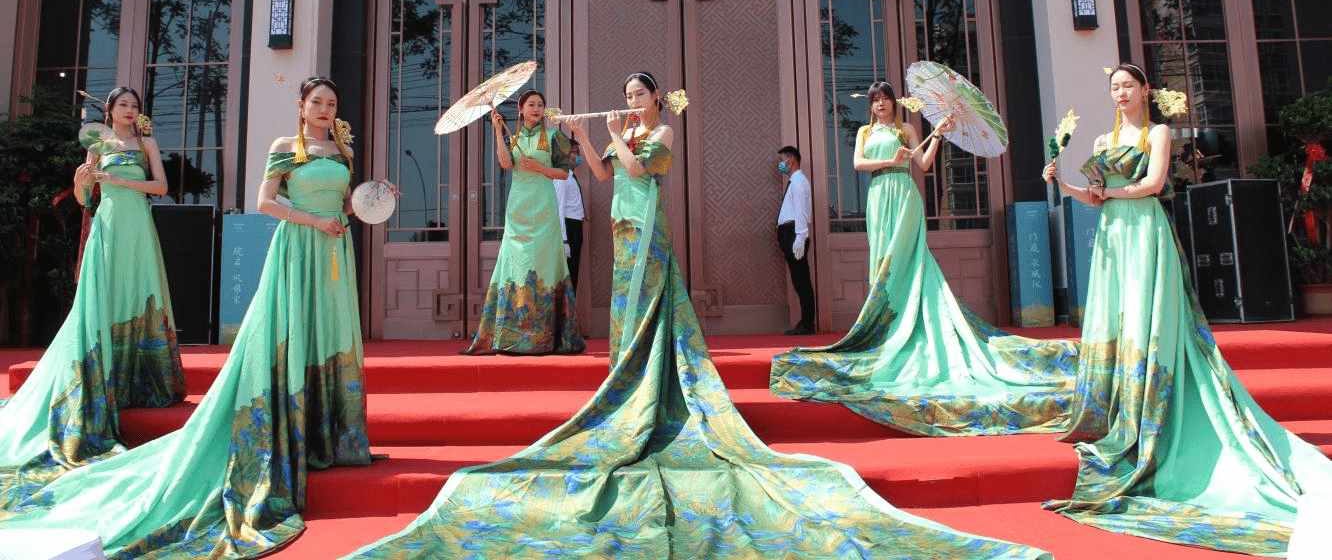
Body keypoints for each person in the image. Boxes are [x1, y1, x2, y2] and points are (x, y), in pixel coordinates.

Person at [346, 71, 1051, 560]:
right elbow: (598, 173)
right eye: (624, 94)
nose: (628, 100)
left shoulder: (663, 135)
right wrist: (585, 136)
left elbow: (642, 170)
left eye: (637, 93)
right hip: (618, 220)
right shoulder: (619, 135)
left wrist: (619, 134)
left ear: (656, 98)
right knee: (622, 304)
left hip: (646, 222)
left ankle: (656, 372)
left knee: (651, 298)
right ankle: (626, 367)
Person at [2, 76, 373, 557]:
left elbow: (344, 202)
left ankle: (332, 434)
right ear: (301, 106)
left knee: (333, 338)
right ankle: (290, 430)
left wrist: (366, 203)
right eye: (317, 102)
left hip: (334, 251)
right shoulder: (286, 146)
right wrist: (314, 221)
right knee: (292, 335)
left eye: (332, 102)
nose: (325, 109)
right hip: (299, 247)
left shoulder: (342, 149)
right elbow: (266, 202)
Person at [1042, 63, 1332, 555]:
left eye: (1127, 86)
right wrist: (1063, 184)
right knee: (1119, 319)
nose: (1119, 94)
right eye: (1113, 87)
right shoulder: (1095, 143)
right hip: (1113, 235)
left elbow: (1155, 185)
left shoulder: (1158, 132)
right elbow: (1094, 199)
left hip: (1146, 230)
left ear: (1144, 91)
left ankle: (1154, 405)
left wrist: (1110, 192)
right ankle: (1117, 409)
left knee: (1149, 319)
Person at [770, 80, 1078, 436]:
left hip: (904, 194)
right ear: (870, 105)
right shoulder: (865, 130)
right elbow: (858, 164)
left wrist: (939, 136)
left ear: (894, 103)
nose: (881, 105)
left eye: (886, 99)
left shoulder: (908, 128)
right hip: (879, 194)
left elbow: (925, 165)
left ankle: (914, 323)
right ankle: (885, 326)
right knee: (881, 261)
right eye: (876, 101)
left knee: (907, 259)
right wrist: (891, 158)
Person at [0, 87, 185, 509]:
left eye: (135, 106)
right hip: (107, 226)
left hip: (138, 225)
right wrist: (84, 182)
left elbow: (160, 187)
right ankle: (104, 378)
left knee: (142, 296)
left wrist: (117, 178)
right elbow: (86, 201)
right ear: (109, 111)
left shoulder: (146, 143)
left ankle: (145, 380)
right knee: (104, 300)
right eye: (123, 105)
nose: (130, 111)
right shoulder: (98, 145)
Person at [463, 89, 583, 355]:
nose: (536, 108)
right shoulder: (512, 136)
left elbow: (564, 173)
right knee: (516, 266)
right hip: (518, 208)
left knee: (543, 266)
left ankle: (545, 336)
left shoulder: (554, 137)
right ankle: (511, 335)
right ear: (520, 110)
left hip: (543, 207)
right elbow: (506, 164)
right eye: (531, 104)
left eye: (540, 104)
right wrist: (497, 131)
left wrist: (539, 168)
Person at [775, 144, 816, 335]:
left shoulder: (799, 182)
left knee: (802, 280)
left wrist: (800, 237)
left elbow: (801, 212)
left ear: (790, 160)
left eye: (782, 160)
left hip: (794, 234)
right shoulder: (795, 181)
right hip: (789, 234)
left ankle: (807, 324)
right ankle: (805, 322)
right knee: (799, 280)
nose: (780, 164)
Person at [553, 135, 586, 294]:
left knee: (574, 275)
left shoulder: (570, 176)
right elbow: (558, 209)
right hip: (568, 227)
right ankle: (564, 315)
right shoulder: (562, 178)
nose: (578, 156)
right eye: (576, 152)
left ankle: (569, 314)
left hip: (575, 227)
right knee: (568, 277)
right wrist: (564, 240)